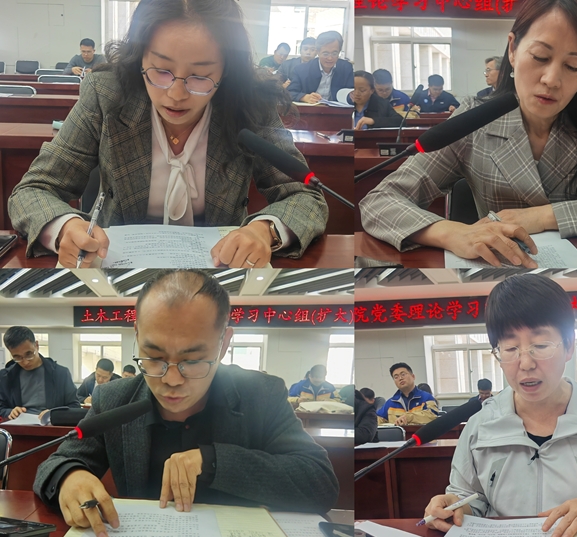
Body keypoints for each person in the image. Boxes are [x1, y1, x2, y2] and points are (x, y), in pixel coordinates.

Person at [9, 0, 328, 269]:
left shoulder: (250, 104)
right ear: (139, 57)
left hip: (221, 275)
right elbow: (33, 190)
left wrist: (263, 231)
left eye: (200, 76)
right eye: (161, 71)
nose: (176, 94)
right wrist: (65, 227)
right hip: (116, 272)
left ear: (226, 69)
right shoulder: (107, 95)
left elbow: (306, 195)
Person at [360, 0, 577, 269]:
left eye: (573, 67)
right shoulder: (475, 120)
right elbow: (380, 201)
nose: (551, 79)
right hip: (499, 273)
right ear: (513, 50)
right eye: (540, 57)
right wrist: (452, 233)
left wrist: (542, 217)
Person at [34, 270, 339, 537]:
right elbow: (55, 463)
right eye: (154, 357)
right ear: (137, 335)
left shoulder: (261, 394)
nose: (171, 380)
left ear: (224, 344)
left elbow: (320, 482)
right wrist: (69, 477)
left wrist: (213, 461)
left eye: (192, 361)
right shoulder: (114, 398)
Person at [423, 274, 577, 537]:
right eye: (510, 348)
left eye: (541, 345)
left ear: (569, 346)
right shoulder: (480, 426)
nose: (526, 363)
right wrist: (454, 506)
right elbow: (470, 501)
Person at [0, 326, 80, 420]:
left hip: (52, 427)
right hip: (19, 427)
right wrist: (10, 412)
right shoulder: (5, 377)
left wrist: (55, 414)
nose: (25, 362)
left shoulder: (61, 374)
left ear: (36, 345)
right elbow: (1, 407)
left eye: (29, 354)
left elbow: (75, 406)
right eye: (17, 357)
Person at [287, 31, 353, 104]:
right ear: (317, 52)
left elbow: (351, 92)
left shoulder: (346, 68)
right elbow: (289, 93)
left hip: (336, 109)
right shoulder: (301, 70)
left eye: (334, 53)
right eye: (325, 54)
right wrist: (304, 97)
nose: (330, 58)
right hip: (311, 109)